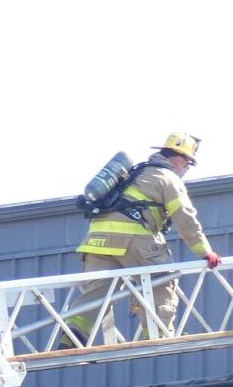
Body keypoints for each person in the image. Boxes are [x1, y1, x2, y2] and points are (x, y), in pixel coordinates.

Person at [63, 131, 222, 347]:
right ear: (178, 158)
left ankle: (72, 338)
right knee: (162, 280)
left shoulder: (134, 173)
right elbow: (185, 218)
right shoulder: (167, 178)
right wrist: (205, 251)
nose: (186, 169)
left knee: (96, 293)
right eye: (188, 163)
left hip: (96, 241)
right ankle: (157, 335)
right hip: (133, 240)